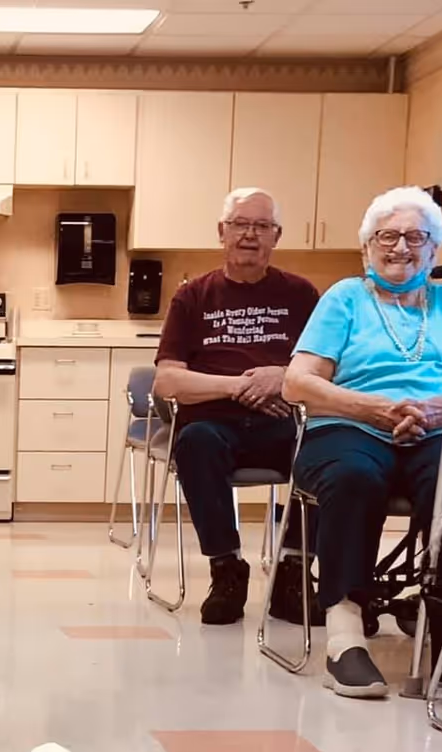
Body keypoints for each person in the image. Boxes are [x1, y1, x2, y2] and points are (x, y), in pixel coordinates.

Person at [282, 186, 442, 698]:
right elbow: (298, 382)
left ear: (434, 250)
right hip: (349, 428)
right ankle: (345, 636)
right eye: (388, 236)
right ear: (367, 248)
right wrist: (373, 408)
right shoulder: (344, 298)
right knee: (354, 477)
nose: (401, 247)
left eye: (416, 237)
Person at [152, 188, 319, 625]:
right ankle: (226, 569)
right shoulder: (192, 298)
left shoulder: (302, 296)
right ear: (222, 232)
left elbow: (328, 369)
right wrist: (239, 386)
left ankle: (293, 570)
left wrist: (280, 377)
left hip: (283, 423)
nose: (250, 235)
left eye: (261, 226)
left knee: (329, 449)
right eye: (241, 225)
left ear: (277, 236)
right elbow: (168, 380)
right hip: (215, 425)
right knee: (195, 443)